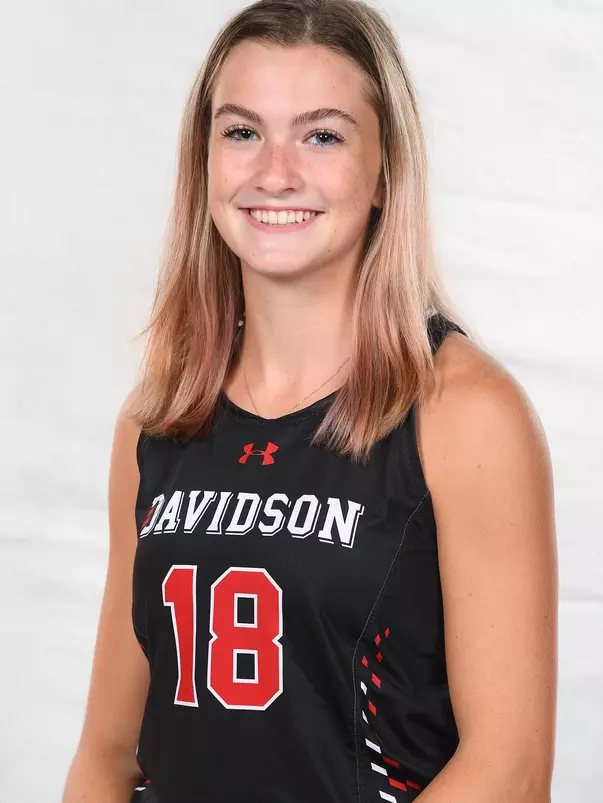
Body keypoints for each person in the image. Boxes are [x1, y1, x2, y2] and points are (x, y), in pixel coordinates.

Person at [62, 1, 558, 801]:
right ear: (205, 161)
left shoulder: (463, 412)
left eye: (321, 134)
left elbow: (510, 767)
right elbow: (109, 751)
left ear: (383, 169)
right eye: (242, 131)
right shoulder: (156, 419)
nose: (274, 172)